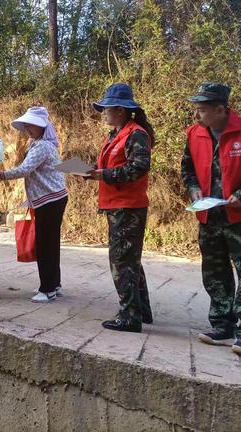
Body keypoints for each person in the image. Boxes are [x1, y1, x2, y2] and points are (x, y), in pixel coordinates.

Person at [181, 82, 241, 357]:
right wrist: (193, 187)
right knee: (214, 271)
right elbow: (187, 168)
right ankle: (222, 325)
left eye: (202, 110)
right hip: (210, 214)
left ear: (220, 109)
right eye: (195, 110)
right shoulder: (194, 133)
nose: (197, 116)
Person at [0, 106, 68, 303]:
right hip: (51, 198)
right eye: (27, 125)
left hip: (49, 199)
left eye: (33, 125)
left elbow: (23, 170)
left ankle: (48, 288)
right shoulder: (41, 144)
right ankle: (54, 284)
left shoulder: (42, 146)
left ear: (43, 127)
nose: (29, 129)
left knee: (45, 244)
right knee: (50, 242)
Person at [87, 83, 154, 333]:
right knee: (130, 259)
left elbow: (139, 167)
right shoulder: (115, 134)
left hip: (129, 206)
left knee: (121, 261)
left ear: (121, 110)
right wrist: (92, 172)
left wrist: (105, 175)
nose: (103, 112)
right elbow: (112, 164)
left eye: (106, 108)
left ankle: (129, 316)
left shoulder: (135, 133)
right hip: (116, 205)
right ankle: (141, 310)